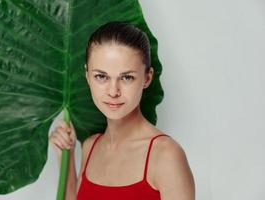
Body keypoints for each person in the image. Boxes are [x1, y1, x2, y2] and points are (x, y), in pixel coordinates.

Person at [49, 21, 195, 200]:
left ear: (147, 78)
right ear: (87, 76)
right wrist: (66, 156)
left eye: (127, 77)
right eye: (101, 76)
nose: (113, 91)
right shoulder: (90, 147)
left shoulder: (166, 155)